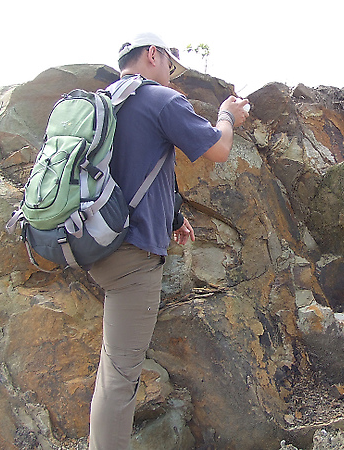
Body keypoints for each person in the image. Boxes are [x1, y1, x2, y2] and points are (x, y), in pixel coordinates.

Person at [86, 32, 249, 450]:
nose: (171, 77)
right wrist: (227, 115)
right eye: (170, 68)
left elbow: (138, 165)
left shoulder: (103, 102)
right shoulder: (160, 99)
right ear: (152, 55)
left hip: (94, 243)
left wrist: (175, 217)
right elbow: (218, 149)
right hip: (133, 257)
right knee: (119, 377)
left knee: (113, 368)